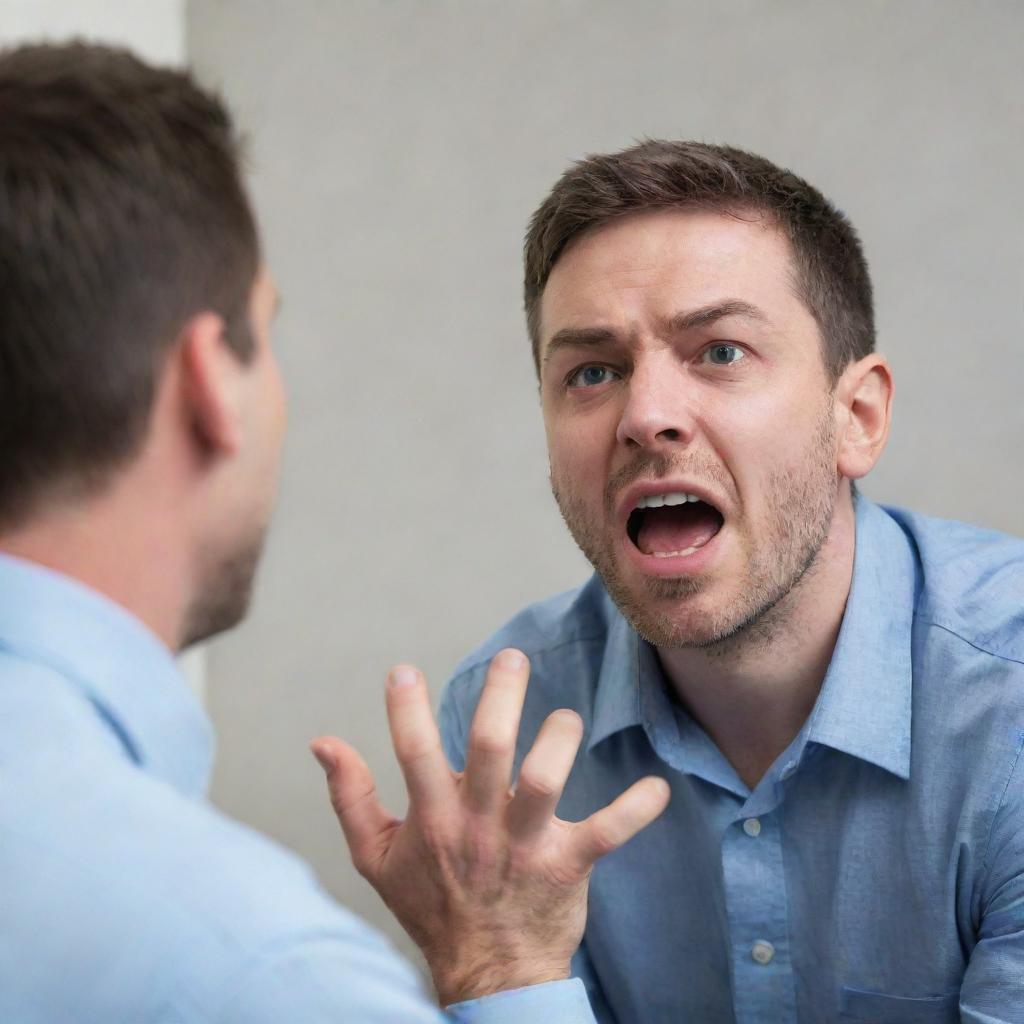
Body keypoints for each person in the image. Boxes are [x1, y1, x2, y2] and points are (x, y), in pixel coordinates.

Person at [0, 42, 668, 1023]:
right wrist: (502, 964)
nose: (648, 417)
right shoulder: (255, 970)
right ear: (207, 382)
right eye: (264, 330)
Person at [437, 140, 1024, 1022]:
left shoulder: (1008, 710)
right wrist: (502, 968)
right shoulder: (506, 734)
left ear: (855, 418)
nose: (646, 418)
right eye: (592, 372)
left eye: (719, 352)